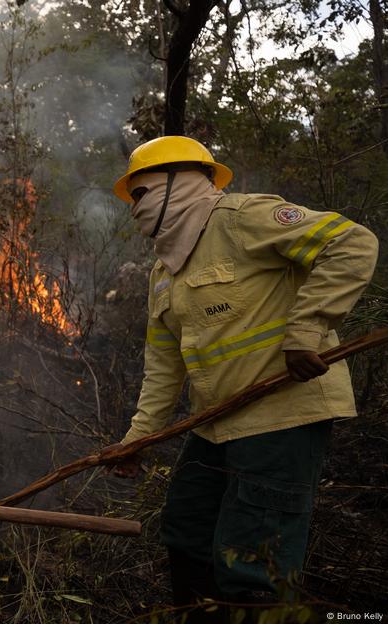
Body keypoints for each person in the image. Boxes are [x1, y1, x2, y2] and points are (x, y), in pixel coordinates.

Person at [107, 136, 377, 620]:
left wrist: (308, 329)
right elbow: (164, 367)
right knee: (185, 532)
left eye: (140, 193)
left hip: (282, 418)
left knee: (251, 561)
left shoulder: (242, 218)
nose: (134, 208)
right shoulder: (164, 272)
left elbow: (352, 242)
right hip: (215, 425)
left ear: (176, 181)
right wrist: (138, 439)